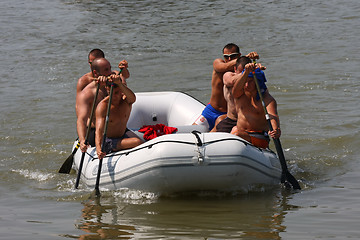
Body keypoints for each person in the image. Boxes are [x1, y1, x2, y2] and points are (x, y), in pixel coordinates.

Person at [193, 43, 259, 131]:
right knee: (190, 133)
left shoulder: (240, 72)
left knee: (216, 128)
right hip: (211, 110)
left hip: (227, 114)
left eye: (233, 56)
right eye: (226, 56)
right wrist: (243, 58)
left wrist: (250, 62)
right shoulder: (218, 63)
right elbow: (224, 66)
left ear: (238, 55)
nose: (229, 59)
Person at [231, 57, 281, 149]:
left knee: (236, 133)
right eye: (245, 81)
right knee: (235, 130)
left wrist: (275, 129)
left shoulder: (267, 99)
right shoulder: (239, 94)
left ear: (257, 82)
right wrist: (246, 72)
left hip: (259, 137)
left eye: (250, 82)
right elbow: (235, 89)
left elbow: (272, 116)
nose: (246, 85)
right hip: (240, 133)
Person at [215, 56, 268, 133]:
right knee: (219, 126)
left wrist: (256, 72)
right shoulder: (228, 75)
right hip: (232, 120)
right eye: (240, 71)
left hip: (248, 123)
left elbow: (265, 95)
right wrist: (247, 72)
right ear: (235, 69)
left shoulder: (254, 81)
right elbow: (231, 81)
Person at [76, 58, 116, 153]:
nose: (110, 73)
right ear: (96, 73)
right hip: (95, 130)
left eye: (110, 68)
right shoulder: (87, 93)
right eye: (106, 70)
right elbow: (81, 119)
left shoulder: (114, 85)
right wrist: (82, 141)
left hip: (114, 128)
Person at [95, 80, 143, 159]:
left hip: (123, 134)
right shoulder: (103, 106)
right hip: (109, 141)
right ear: (107, 90)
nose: (114, 96)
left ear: (121, 90)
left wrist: (120, 83)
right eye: (111, 93)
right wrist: (98, 149)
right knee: (137, 142)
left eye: (117, 93)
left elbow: (133, 98)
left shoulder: (126, 100)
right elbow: (99, 131)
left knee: (145, 143)